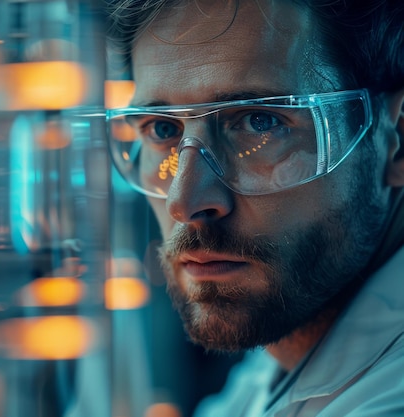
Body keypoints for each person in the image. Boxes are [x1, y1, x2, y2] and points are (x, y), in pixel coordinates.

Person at [104, 0, 404, 415]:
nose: (185, 202)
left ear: (397, 140)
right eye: (163, 129)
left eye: (259, 122)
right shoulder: (280, 359)